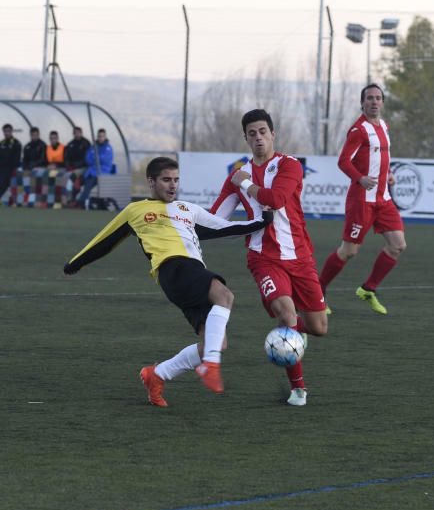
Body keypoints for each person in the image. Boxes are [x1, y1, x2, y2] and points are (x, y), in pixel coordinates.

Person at [64, 156, 273, 407]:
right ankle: (211, 366)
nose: (172, 185)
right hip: (172, 268)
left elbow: (223, 228)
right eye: (166, 180)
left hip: (191, 272)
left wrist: (261, 222)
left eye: (176, 180)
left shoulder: (188, 209)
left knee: (216, 342)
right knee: (224, 295)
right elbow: (103, 240)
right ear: (151, 182)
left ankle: (157, 374)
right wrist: (75, 263)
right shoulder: (135, 211)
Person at [211, 109, 327, 407]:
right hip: (263, 259)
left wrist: (245, 183)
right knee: (287, 314)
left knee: (318, 328)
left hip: (300, 256)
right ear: (246, 138)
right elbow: (214, 218)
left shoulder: (289, 166)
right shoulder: (236, 177)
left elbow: (274, 200)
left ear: (273, 133)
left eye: (263, 131)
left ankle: (288, 333)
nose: (259, 137)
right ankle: (298, 389)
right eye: (252, 133)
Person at [318, 83, 407, 315]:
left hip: (383, 199)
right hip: (362, 200)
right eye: (370, 98)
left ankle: (368, 289)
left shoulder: (384, 126)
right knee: (349, 251)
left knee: (398, 245)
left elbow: (380, 157)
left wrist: (388, 174)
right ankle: (317, 292)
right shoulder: (358, 130)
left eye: (378, 98)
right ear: (363, 102)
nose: (374, 102)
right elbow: (343, 161)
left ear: (383, 102)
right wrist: (360, 179)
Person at [78, 128, 114, 209]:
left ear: (105, 137)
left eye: (102, 136)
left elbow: (105, 160)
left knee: (89, 183)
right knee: (80, 181)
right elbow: (88, 158)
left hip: (103, 172)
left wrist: (96, 157)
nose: (100, 138)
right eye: (99, 136)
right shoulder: (93, 146)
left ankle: (82, 201)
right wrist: (96, 158)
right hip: (92, 171)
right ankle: (79, 200)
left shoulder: (108, 148)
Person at [0, 123, 22, 199]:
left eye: (8, 131)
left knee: (3, 183)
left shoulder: (16, 143)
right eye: (5, 131)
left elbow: (16, 158)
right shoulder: (1, 143)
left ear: (11, 131)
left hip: (10, 168)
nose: (6, 133)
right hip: (1, 168)